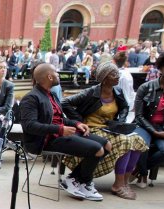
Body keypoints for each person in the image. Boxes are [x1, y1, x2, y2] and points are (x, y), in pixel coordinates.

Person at [21, 64, 109, 201]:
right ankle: (79, 181)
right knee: (98, 150)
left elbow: (61, 119)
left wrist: (77, 124)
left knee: (106, 145)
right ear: (49, 77)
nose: (58, 75)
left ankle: (76, 179)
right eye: (56, 72)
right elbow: (29, 126)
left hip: (62, 134)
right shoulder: (31, 98)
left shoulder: (52, 95)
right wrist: (59, 129)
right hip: (47, 140)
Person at [62, 62, 147, 200]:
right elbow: (64, 103)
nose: (117, 76)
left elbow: (125, 107)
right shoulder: (91, 92)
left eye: (117, 73)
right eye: (113, 74)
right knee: (124, 141)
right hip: (92, 128)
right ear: (105, 77)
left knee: (138, 140)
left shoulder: (117, 92)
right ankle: (118, 184)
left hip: (110, 128)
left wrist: (120, 120)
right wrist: (79, 121)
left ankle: (125, 182)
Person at [132, 52, 164, 188]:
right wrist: (154, 132)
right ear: (161, 67)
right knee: (142, 144)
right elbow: (139, 116)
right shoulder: (146, 87)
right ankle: (144, 174)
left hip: (162, 127)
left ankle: (139, 170)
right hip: (143, 125)